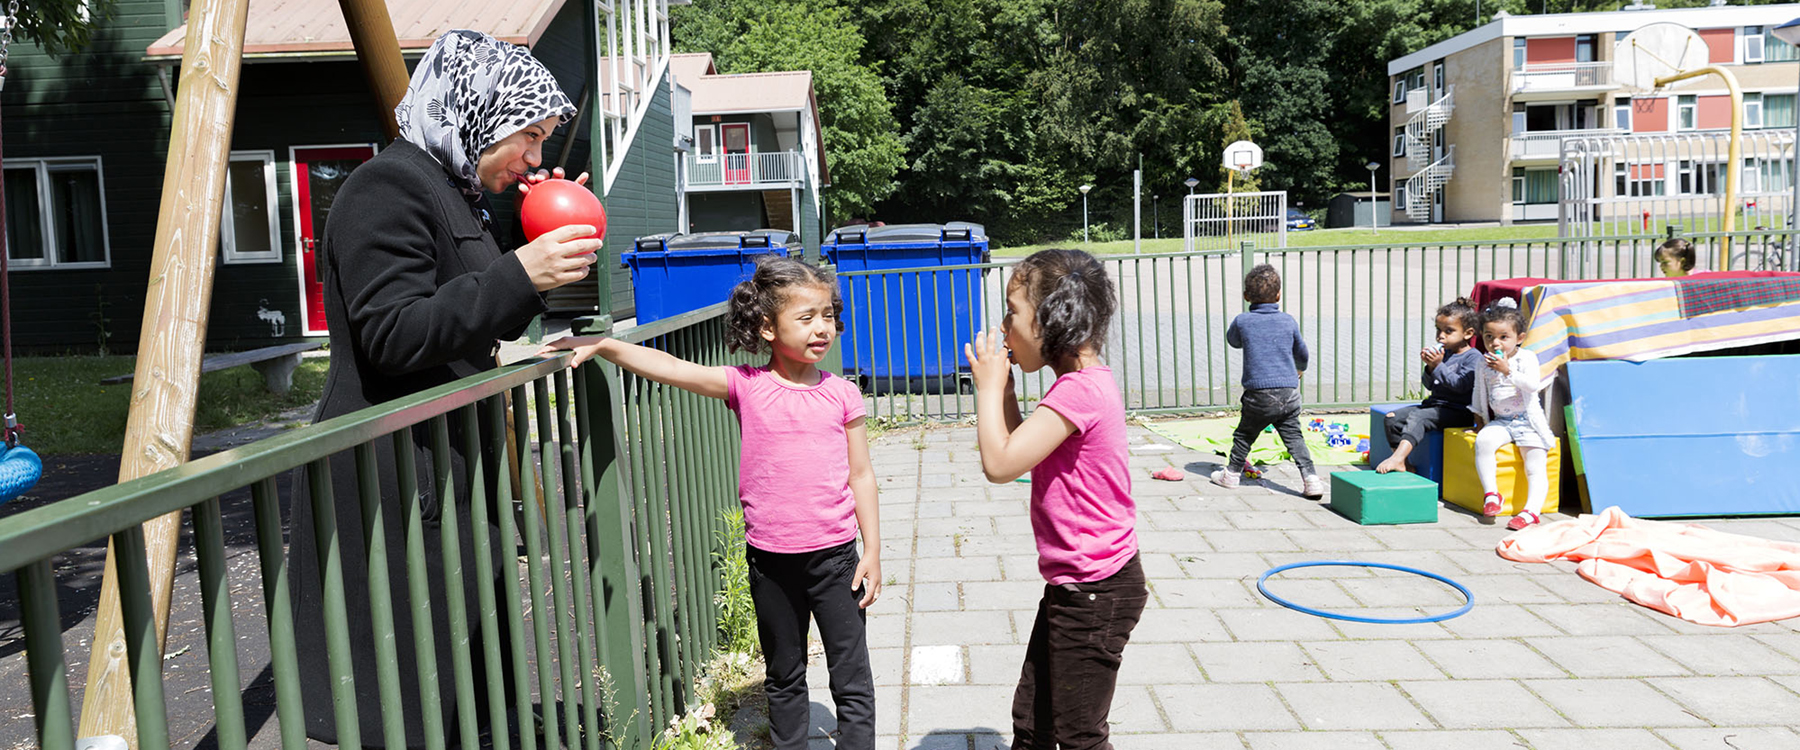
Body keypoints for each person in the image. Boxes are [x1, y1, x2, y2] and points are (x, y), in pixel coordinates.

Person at [286, 29, 601, 747]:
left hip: (441, 470)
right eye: (528, 136)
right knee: (406, 698)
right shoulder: (386, 187)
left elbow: (465, 313)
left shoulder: (454, 191)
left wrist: (541, 238)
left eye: (544, 141)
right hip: (390, 480)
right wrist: (522, 270)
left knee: (459, 688)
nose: (537, 159)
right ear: (477, 112)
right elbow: (394, 335)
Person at [538, 256, 881, 750]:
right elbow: (672, 367)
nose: (822, 327)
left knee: (851, 676)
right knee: (784, 675)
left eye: (827, 315)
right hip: (771, 561)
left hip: (836, 559)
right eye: (806, 318)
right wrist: (609, 345)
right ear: (767, 326)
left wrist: (872, 551)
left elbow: (862, 474)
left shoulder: (843, 394)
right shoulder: (746, 385)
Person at [964, 249, 1146, 750]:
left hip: (1096, 591)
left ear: (1051, 321)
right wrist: (1004, 394)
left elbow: (1000, 465)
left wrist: (988, 387)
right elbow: (1024, 447)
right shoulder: (1080, 385)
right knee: (1033, 721)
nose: (1003, 325)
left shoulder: (1078, 393)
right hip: (1080, 585)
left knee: (1080, 734)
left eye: (1012, 312)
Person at [1211, 264, 1324, 498]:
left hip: (1258, 394)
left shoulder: (1243, 321)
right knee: (1294, 437)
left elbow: (1233, 341)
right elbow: (1302, 354)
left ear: (1246, 296)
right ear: (1279, 295)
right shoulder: (1288, 321)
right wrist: (1299, 370)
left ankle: (1231, 474)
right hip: (1289, 391)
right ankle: (1311, 479)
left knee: (1244, 435)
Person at [1471, 297, 1556, 530]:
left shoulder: (1526, 358)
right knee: (1484, 442)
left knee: (1534, 464)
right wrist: (1478, 416)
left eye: (1503, 337)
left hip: (1528, 421)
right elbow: (1479, 390)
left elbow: (1532, 386)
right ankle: (1491, 494)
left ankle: (1531, 511)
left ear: (1519, 338)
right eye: (1489, 337)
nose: (1495, 343)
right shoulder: (1483, 362)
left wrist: (1507, 370)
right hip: (1502, 421)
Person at [1375, 298, 1482, 474]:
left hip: (1458, 411)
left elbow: (1460, 386)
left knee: (1420, 418)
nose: (1441, 336)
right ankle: (1405, 463)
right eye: (1438, 330)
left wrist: (1439, 366)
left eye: (1449, 331)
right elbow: (1430, 385)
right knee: (1392, 418)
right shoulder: (1444, 354)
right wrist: (1430, 367)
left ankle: (1397, 458)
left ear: (1468, 333)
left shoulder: (1473, 357)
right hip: (1434, 406)